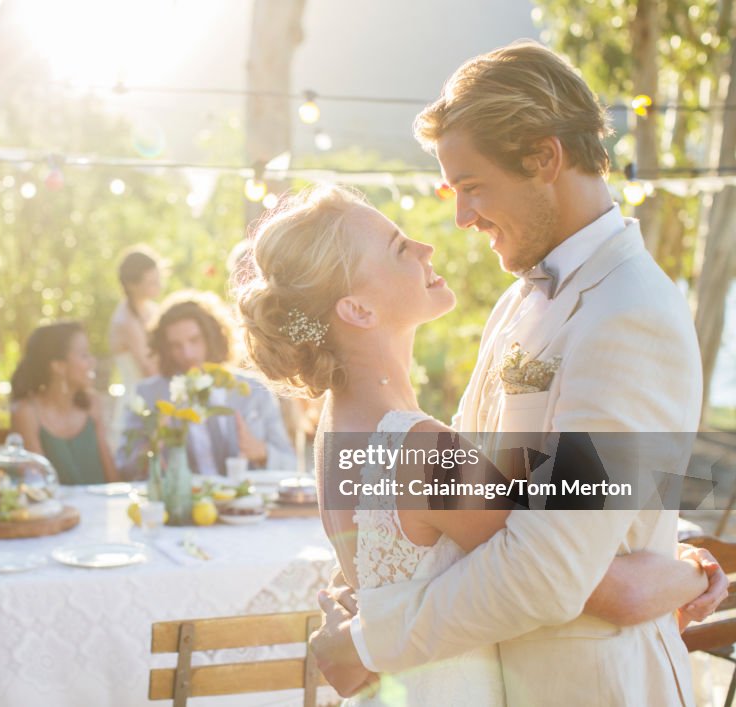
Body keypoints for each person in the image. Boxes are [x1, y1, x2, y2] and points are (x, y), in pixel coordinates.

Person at [293, 43, 725, 706]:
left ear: (544, 158)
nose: (462, 218)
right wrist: (681, 562)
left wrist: (370, 639)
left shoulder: (628, 315)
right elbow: (495, 503)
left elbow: (548, 563)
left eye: (472, 187)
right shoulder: (520, 297)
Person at [117, 291, 295, 479]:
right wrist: (152, 446)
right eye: (175, 345)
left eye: (194, 340)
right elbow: (124, 467)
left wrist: (261, 452)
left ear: (212, 337)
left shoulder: (254, 390)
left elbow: (290, 464)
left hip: (243, 504)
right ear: (164, 348)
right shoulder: (148, 395)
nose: (187, 353)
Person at [10, 322, 118, 485]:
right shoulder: (26, 412)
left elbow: (112, 477)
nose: (92, 361)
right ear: (58, 366)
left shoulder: (92, 404)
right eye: (84, 355)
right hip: (57, 509)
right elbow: (39, 484)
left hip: (100, 506)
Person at [107, 247, 162, 452]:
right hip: (137, 400)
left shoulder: (152, 309)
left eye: (158, 279)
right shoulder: (125, 320)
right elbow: (147, 367)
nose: (158, 285)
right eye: (151, 282)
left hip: (156, 392)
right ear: (131, 285)